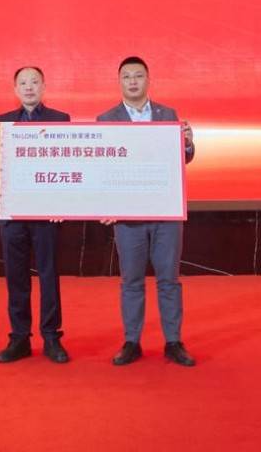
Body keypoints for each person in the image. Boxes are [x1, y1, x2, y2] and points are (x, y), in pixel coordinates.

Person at [97, 56, 196, 367]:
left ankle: (173, 342)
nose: (133, 81)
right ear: (119, 82)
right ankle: (131, 342)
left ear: (148, 80)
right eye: (127, 76)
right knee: (131, 281)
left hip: (165, 213)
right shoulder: (106, 119)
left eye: (138, 76)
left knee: (169, 280)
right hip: (127, 217)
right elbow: (100, 167)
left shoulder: (168, 114)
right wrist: (104, 204)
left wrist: (188, 144)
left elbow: (183, 158)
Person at [0, 66, 71, 364]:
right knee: (16, 276)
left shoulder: (60, 120)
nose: (28, 87)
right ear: (15, 89)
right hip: (12, 213)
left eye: (34, 82)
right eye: (23, 83)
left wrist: (62, 204)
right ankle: (20, 337)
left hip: (47, 213)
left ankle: (51, 336)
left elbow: (67, 163)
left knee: (49, 275)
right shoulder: (2, 122)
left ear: (44, 86)